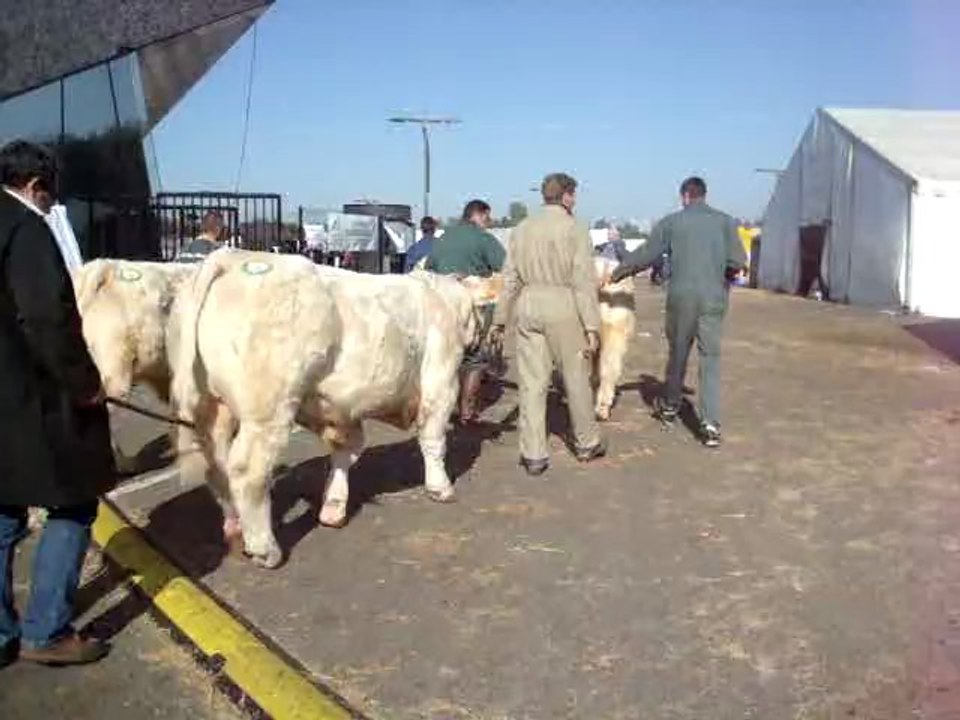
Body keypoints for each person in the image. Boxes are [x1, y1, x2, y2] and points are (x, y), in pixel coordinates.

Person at [0, 140, 116, 668]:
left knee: (1, 512)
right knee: (73, 502)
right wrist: (85, 382)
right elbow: (46, 318)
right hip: (34, 399)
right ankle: (45, 630)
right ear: (36, 186)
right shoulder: (26, 228)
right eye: (49, 194)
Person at [610, 176, 747, 448]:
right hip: (713, 299)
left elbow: (648, 254)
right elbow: (737, 262)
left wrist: (618, 272)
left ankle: (671, 406)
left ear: (685, 196)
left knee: (679, 354)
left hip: (681, 298)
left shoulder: (672, 222)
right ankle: (709, 424)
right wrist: (721, 279)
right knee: (710, 359)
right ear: (704, 196)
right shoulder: (726, 222)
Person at [491, 173, 606, 475]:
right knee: (576, 376)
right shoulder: (575, 228)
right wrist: (592, 325)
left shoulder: (521, 229)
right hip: (564, 303)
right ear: (566, 195)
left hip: (528, 303)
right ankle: (586, 442)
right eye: (574, 194)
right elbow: (583, 280)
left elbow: (510, 278)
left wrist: (500, 318)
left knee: (531, 382)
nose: (575, 200)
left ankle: (533, 454)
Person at [426, 200, 506, 421]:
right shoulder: (483, 239)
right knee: (475, 359)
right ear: (478, 215)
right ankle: (467, 411)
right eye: (487, 218)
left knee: (446, 357)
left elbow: (428, 268)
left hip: (442, 307)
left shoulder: (444, 238)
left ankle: (442, 407)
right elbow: (506, 267)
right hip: (474, 308)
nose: (488, 224)